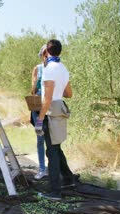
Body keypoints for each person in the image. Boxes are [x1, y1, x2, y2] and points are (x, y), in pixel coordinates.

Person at [34, 39, 76, 201]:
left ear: (47, 51)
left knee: (51, 151)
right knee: (56, 147)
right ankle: (68, 179)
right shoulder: (63, 69)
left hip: (50, 112)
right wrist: (58, 88)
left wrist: (40, 119)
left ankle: (55, 192)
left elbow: (47, 98)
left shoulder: (49, 70)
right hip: (60, 110)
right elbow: (69, 93)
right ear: (59, 51)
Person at [30, 44, 48, 180]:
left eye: (48, 54)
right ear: (41, 55)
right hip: (38, 107)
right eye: (44, 54)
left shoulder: (56, 69)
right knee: (40, 139)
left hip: (52, 108)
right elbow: (33, 91)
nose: (46, 57)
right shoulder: (38, 69)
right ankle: (42, 169)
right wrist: (35, 83)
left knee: (53, 140)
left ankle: (53, 168)